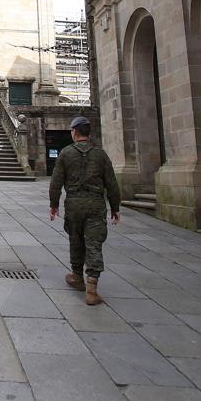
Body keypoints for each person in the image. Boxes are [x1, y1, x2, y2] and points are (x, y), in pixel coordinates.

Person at [49, 115, 120, 306]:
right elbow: (112, 184)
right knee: (94, 244)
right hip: (96, 204)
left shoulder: (65, 153)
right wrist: (115, 207)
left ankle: (77, 276)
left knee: (76, 239)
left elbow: (55, 183)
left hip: (73, 204)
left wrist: (54, 205)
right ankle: (92, 289)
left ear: (74, 132)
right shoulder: (100, 154)